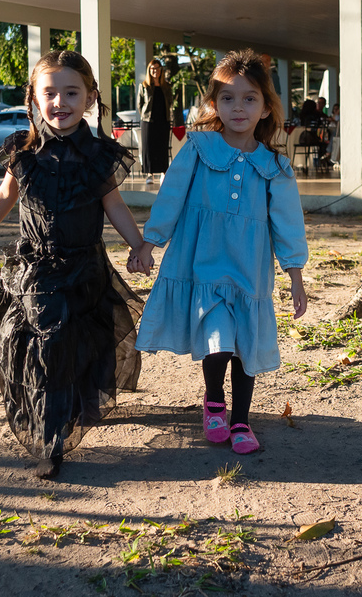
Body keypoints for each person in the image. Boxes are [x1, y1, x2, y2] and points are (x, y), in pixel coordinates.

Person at [0, 50, 148, 480]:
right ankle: (49, 440)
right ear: (33, 98)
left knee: (76, 343)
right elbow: (5, 197)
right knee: (44, 344)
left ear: (90, 98)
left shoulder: (99, 156)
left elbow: (115, 205)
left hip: (85, 267)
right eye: (50, 93)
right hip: (34, 267)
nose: (60, 102)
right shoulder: (24, 152)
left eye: (71, 92)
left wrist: (139, 245)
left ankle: (70, 408)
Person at [133, 49, 308, 455]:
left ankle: (242, 421)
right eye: (228, 98)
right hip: (203, 263)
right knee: (218, 339)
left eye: (250, 98)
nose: (238, 107)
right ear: (214, 104)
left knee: (244, 344)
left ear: (265, 109)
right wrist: (149, 243)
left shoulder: (274, 167)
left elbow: (287, 223)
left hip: (249, 269)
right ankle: (214, 402)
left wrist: (295, 275)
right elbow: (171, 198)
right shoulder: (198, 149)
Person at [137, 58, 174, 184]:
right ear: (149, 70)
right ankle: (150, 174)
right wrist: (144, 115)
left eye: (158, 68)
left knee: (162, 146)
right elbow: (139, 104)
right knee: (148, 147)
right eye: (153, 69)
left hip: (163, 120)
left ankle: (164, 173)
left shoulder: (166, 86)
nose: (155, 71)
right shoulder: (144, 86)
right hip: (148, 121)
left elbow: (170, 102)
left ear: (161, 70)